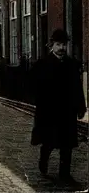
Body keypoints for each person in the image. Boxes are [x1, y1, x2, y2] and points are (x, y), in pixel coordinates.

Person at [30, 29, 86, 183]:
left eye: (63, 44)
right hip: (49, 111)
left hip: (67, 111)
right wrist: (40, 102)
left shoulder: (71, 64)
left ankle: (65, 174)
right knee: (49, 141)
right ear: (52, 45)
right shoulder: (42, 65)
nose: (61, 48)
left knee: (67, 144)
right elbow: (33, 87)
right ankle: (43, 159)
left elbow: (77, 87)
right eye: (58, 44)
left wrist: (81, 106)